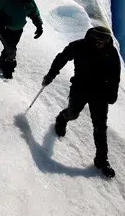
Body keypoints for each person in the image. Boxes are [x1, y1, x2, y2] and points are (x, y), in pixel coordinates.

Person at [42, 26, 120, 178]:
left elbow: (115, 75)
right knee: (73, 113)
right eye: (98, 40)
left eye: (103, 41)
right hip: (80, 88)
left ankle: (102, 160)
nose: (100, 44)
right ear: (92, 37)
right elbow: (62, 58)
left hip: (100, 93)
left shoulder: (111, 52)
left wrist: (112, 93)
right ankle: (62, 117)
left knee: (100, 127)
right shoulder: (79, 46)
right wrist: (51, 74)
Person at [0, 0, 43, 79]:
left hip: (18, 31)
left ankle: (3, 63)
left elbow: (34, 13)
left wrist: (39, 26)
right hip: (4, 29)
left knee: (9, 48)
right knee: (11, 49)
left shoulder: (28, 2)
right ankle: (7, 70)